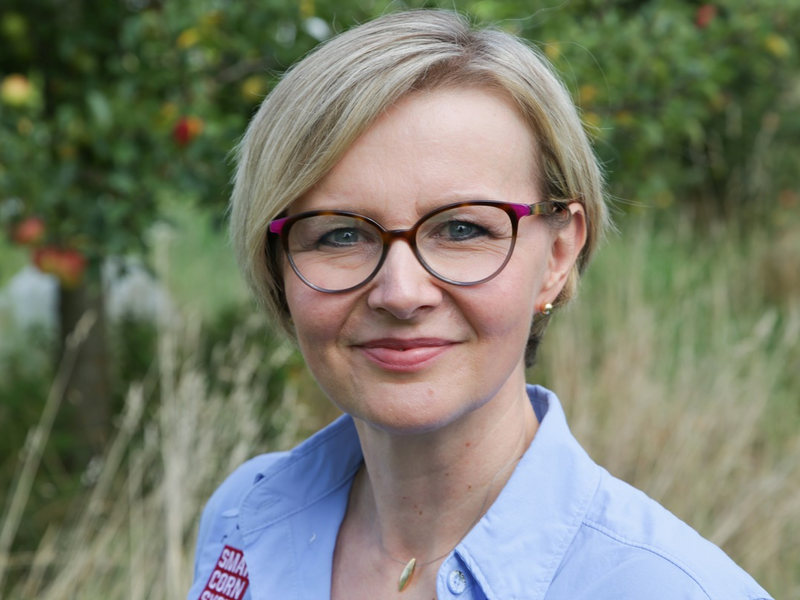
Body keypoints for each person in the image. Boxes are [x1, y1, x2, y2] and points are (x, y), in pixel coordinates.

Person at [187, 10, 772, 600]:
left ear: (558, 255)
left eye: (462, 229)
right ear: (276, 264)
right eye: (340, 235)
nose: (401, 293)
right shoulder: (245, 519)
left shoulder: (667, 588)